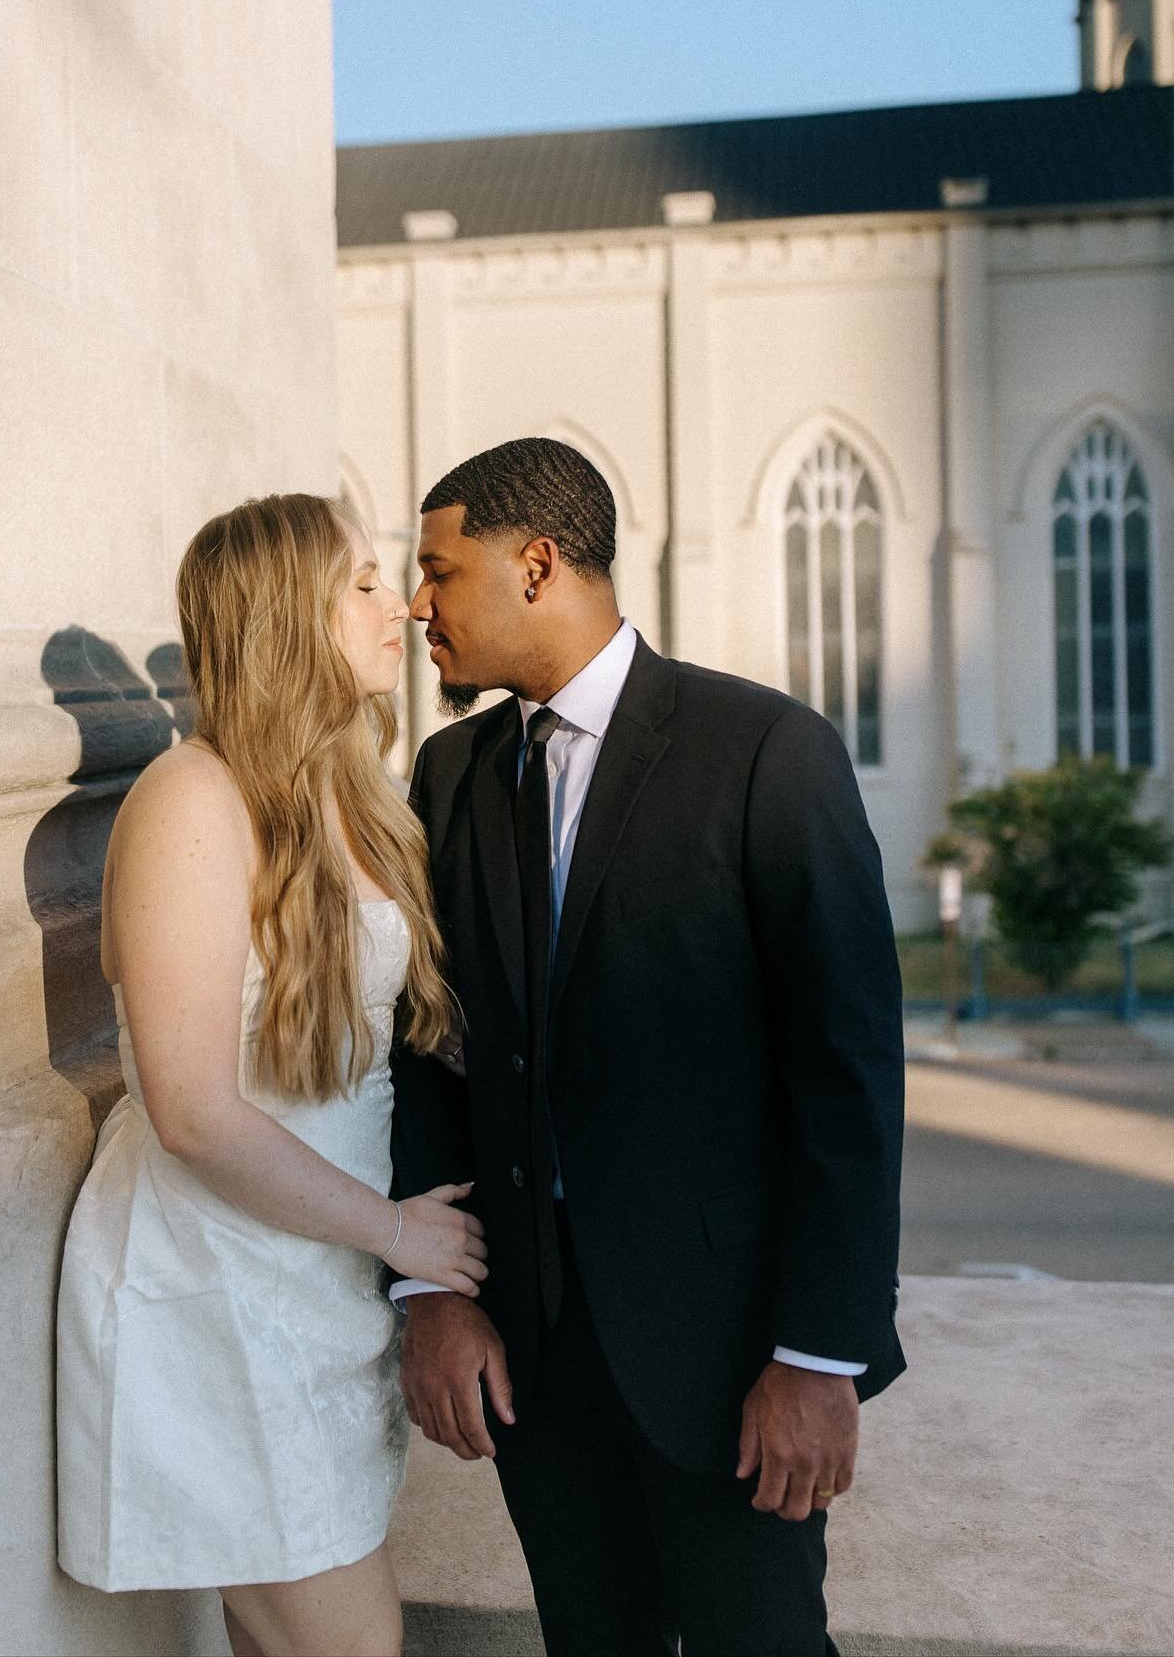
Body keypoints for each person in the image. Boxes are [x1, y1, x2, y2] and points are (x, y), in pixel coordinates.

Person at [391, 437, 905, 1657]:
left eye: (438, 572)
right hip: (533, 1364)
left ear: (537, 565)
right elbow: (429, 1049)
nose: (420, 603)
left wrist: (816, 1356)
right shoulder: (450, 772)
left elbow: (848, 1079)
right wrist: (431, 1295)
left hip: (732, 1364)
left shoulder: (765, 752)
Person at [56, 493, 487, 1657]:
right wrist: (397, 1234)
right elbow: (192, 1112)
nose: (396, 602)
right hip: (222, 1287)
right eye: (358, 582)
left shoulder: (354, 794)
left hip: (319, 1275)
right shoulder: (190, 801)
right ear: (281, 613)